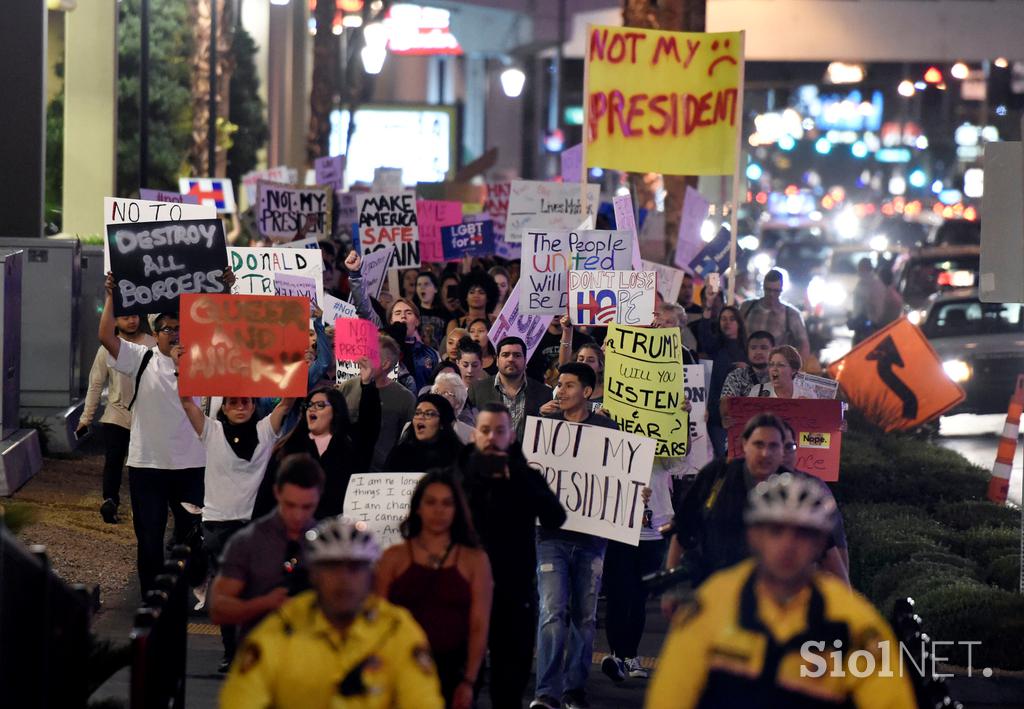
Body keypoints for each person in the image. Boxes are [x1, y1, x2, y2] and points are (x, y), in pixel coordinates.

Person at [647, 473, 916, 709]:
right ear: (754, 536)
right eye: (775, 530)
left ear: (821, 544)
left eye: (802, 533)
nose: (788, 544)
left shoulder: (856, 624)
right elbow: (671, 697)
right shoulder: (709, 605)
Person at [221, 517, 445, 708]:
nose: (344, 579)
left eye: (355, 568)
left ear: (371, 576)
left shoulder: (397, 629)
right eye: (331, 567)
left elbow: (422, 701)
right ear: (314, 575)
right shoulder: (279, 630)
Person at [663, 414, 849, 615]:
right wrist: (670, 589)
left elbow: (829, 552)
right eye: (758, 444)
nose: (765, 453)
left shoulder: (798, 493)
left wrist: (847, 604)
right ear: (744, 444)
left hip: (775, 610)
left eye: (774, 446)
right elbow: (682, 531)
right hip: (712, 601)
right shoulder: (717, 476)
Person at [453, 403, 567, 709]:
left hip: (513, 594)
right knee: (462, 685)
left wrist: (517, 477)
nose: (492, 437)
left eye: (499, 431)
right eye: (486, 430)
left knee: (509, 685)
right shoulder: (458, 474)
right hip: (465, 593)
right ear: (475, 434)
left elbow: (556, 516)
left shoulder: (523, 475)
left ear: (511, 436)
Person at [98, 273, 206, 595]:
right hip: (148, 467)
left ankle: (189, 592)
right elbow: (106, 336)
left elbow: (224, 329)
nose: (174, 335)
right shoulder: (140, 357)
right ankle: (151, 598)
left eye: (179, 329)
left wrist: (224, 289)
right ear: (156, 334)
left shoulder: (202, 361)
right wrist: (110, 297)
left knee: (191, 537)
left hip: (190, 466)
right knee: (149, 537)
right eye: (168, 329)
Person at [179, 393, 294, 671]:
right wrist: (183, 369)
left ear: (254, 405)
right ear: (224, 407)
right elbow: (186, 402)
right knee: (228, 593)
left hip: (254, 525)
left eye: (246, 402)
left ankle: (250, 651)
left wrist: (300, 365)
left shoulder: (265, 430)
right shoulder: (212, 431)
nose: (240, 407)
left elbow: (287, 402)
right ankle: (231, 652)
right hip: (219, 525)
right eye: (233, 402)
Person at [531, 363, 618, 709]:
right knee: (552, 611)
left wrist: (634, 495)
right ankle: (546, 692)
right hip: (550, 537)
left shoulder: (607, 429)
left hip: (592, 538)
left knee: (584, 614)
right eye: (559, 385)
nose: (560, 391)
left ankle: (574, 689)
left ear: (586, 391)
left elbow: (620, 481)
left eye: (568, 386)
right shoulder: (544, 428)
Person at [376, 471, 494, 709]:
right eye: (431, 502)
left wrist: (469, 680)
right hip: (399, 668)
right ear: (418, 507)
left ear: (456, 509)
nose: (438, 511)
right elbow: (376, 620)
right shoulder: (393, 558)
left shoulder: (475, 560)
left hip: (452, 670)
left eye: (447, 503)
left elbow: (479, 624)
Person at [210, 454, 323, 643]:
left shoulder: (327, 544)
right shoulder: (248, 542)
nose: (298, 515)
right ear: (277, 493)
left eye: (307, 507)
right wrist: (264, 603)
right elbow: (218, 609)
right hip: (260, 656)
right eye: (290, 505)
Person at [256, 362, 380, 520]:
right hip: (292, 531)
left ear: (335, 411)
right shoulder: (289, 447)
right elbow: (266, 495)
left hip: (333, 533)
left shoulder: (350, 445)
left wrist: (367, 384)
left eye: (320, 405)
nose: (312, 409)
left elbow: (370, 425)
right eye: (309, 405)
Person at [78, 312, 155, 524]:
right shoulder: (107, 349)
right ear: (115, 322)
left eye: (134, 316)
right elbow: (95, 385)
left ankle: (141, 506)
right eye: (124, 317)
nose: (131, 321)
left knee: (142, 465)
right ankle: (110, 500)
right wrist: (86, 418)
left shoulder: (153, 345)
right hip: (116, 414)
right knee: (113, 460)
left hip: (146, 415)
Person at [781, 420, 850, 585]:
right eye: (775, 446)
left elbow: (837, 542)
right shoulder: (741, 488)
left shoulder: (815, 488)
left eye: (790, 447)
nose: (783, 454)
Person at [340, 334, 416, 472]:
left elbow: (407, 440)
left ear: (385, 364)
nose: (362, 358)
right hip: (346, 469)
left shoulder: (405, 398)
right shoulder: (346, 387)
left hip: (382, 474)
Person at [469, 336, 553, 442]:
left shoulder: (544, 393)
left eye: (517, 355)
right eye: (505, 355)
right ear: (497, 361)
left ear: (525, 361)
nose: (511, 359)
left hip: (526, 457)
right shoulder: (477, 390)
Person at [740, 269, 811, 362]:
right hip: (747, 365)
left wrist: (795, 368)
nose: (771, 294)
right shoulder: (747, 307)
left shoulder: (791, 314)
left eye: (776, 291)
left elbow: (804, 344)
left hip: (775, 370)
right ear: (763, 287)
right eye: (768, 290)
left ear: (781, 290)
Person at [385, 394, 465, 473]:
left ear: (442, 423)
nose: (420, 417)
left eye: (428, 414)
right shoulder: (399, 454)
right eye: (417, 413)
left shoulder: (459, 456)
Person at [707, 306, 748, 456]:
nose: (727, 322)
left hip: (741, 414)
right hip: (717, 414)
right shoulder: (716, 347)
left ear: (739, 323)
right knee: (721, 458)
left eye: (731, 319)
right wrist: (709, 305)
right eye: (723, 319)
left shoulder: (748, 349)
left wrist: (747, 369)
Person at [718, 330, 775, 430]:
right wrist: (725, 417)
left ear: (774, 351)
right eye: (753, 348)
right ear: (747, 351)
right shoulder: (736, 375)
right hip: (742, 433)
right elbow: (726, 404)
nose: (758, 352)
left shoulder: (780, 375)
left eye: (764, 348)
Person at [850, 257, 888, 344]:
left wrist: (869, 321)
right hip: (860, 327)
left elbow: (878, 309)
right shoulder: (861, 283)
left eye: (861, 268)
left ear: (867, 268)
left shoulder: (875, 285)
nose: (859, 270)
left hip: (869, 328)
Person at [431, 372, 476, 441]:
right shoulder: (413, 427)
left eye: (445, 393)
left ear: (458, 403)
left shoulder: (471, 436)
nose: (438, 397)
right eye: (436, 392)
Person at [415, 271, 452, 351]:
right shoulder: (413, 312)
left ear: (435, 289)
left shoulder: (446, 313)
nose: (422, 287)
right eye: (419, 284)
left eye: (426, 284)